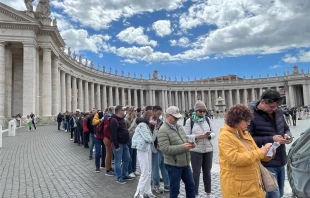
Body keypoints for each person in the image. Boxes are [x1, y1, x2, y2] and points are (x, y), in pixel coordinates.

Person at [218, 104, 274, 198]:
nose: (248, 123)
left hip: (253, 185)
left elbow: (255, 153)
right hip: (238, 189)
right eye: (246, 121)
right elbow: (235, 158)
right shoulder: (225, 136)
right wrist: (260, 152)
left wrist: (269, 152)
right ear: (237, 120)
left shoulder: (245, 133)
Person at [249, 89, 293, 198]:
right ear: (263, 102)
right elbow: (248, 140)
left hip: (281, 160)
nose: (274, 109)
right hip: (266, 162)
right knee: (273, 194)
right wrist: (272, 138)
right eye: (271, 107)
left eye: (276, 106)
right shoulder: (250, 115)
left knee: (280, 193)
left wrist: (288, 136)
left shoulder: (277, 111)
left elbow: (286, 128)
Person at [157, 106, 195, 198]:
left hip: (185, 163)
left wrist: (190, 143)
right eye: (175, 118)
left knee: (191, 185)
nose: (177, 119)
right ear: (168, 116)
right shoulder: (162, 130)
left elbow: (184, 139)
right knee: (175, 190)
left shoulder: (179, 127)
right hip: (173, 165)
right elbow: (165, 149)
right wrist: (183, 147)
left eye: (178, 118)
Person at [184, 100, 215, 198]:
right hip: (195, 150)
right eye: (200, 111)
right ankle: (195, 194)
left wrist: (209, 136)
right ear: (196, 111)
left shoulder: (208, 119)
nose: (202, 113)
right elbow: (185, 136)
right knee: (196, 173)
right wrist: (197, 136)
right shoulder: (190, 121)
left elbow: (213, 132)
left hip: (208, 149)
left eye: (204, 111)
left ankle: (208, 193)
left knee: (207, 172)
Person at [132, 115, 155, 198]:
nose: (153, 120)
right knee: (145, 172)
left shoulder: (147, 126)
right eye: (152, 119)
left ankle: (147, 191)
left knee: (148, 171)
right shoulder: (142, 125)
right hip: (142, 148)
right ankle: (138, 193)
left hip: (147, 148)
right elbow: (149, 139)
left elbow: (152, 138)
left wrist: (154, 128)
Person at [150, 105, 170, 193]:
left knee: (164, 167)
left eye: (160, 113)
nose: (159, 115)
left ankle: (167, 184)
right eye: (158, 113)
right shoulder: (149, 122)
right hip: (154, 148)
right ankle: (156, 185)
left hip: (162, 147)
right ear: (153, 112)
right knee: (155, 168)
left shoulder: (160, 121)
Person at [110, 105, 132, 184]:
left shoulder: (122, 119)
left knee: (127, 158)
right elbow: (113, 134)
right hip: (118, 144)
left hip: (124, 143)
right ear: (119, 111)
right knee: (118, 161)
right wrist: (116, 145)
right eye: (123, 110)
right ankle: (119, 177)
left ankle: (124, 174)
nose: (124, 111)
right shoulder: (114, 120)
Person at [125, 106, 139, 178]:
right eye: (134, 110)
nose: (136, 112)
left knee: (134, 154)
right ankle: (129, 171)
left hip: (135, 138)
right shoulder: (126, 119)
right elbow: (125, 130)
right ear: (131, 111)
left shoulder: (135, 119)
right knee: (129, 155)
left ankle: (134, 169)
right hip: (129, 139)